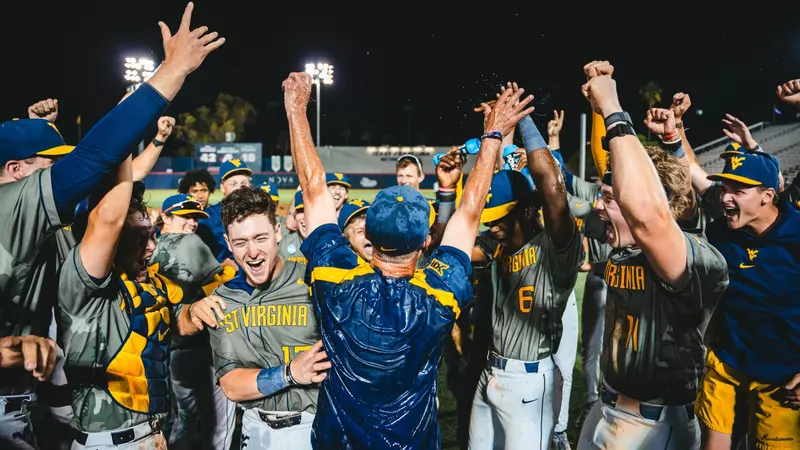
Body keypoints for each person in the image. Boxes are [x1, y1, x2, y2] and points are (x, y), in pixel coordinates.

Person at [0, 4, 224, 447]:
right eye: (47, 167)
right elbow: (99, 180)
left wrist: (40, 132)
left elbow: (113, 192)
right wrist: (171, 71)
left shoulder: (41, 224)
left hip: (28, 401)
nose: (57, 178)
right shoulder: (10, 205)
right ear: (13, 171)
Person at [282, 70, 534, 448]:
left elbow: (313, 188)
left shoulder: (336, 278)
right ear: (426, 240)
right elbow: (469, 214)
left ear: (367, 235)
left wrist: (295, 108)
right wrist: (492, 136)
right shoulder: (440, 292)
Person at [576, 60, 729, 450]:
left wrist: (613, 108)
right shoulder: (625, 246)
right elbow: (617, 176)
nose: (600, 207)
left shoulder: (689, 254)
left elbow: (651, 214)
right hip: (609, 407)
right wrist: (599, 114)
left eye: (611, 201)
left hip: (652, 424)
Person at [467, 105, 583, 449]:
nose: (494, 224)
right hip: (491, 371)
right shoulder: (495, 241)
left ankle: (559, 431)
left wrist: (525, 121)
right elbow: (452, 244)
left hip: (531, 379)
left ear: (530, 210)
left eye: (503, 216)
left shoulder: (556, 247)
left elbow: (553, 188)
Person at [186, 186, 327, 450]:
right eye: (240, 242)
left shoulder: (314, 281)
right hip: (255, 430)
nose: (252, 252)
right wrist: (290, 373)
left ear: (277, 233)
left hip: (315, 427)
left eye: (260, 238)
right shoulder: (224, 300)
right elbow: (231, 385)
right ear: (228, 244)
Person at [57, 157, 182, 449]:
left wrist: (197, 311)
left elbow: (175, 323)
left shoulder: (146, 283)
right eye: (138, 239)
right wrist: (131, 130)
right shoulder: (82, 285)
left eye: (151, 236)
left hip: (152, 434)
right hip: (108, 443)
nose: (151, 247)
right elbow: (104, 222)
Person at [695, 150, 800, 449]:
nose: (725, 198)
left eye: (737, 191)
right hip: (727, 364)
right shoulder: (718, 233)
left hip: (782, 377)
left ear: (767, 195)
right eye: (724, 189)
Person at [150, 194, 236, 450]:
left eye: (195, 217)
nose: (192, 223)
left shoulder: (150, 246)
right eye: (185, 216)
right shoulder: (191, 243)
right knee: (217, 427)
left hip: (163, 351)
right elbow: (218, 290)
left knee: (184, 421)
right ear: (165, 217)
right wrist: (229, 269)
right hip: (198, 348)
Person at [196, 158, 252, 265]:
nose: (240, 188)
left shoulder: (257, 213)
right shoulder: (209, 217)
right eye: (233, 184)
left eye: (244, 184)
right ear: (222, 187)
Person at [278, 190, 309, 264]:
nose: (305, 217)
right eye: (301, 211)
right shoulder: (285, 244)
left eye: (309, 210)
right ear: (294, 215)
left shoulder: (328, 244)